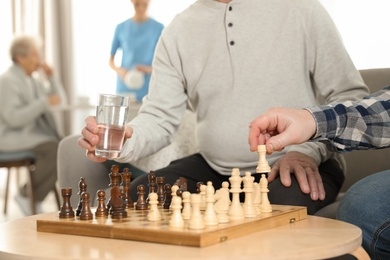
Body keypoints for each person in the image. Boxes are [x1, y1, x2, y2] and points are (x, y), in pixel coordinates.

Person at [78, 0, 370, 215]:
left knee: (276, 212)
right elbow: (159, 117)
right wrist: (127, 139)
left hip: (298, 162)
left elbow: (350, 97)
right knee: (138, 199)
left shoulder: (303, 10)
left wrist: (306, 151)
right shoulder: (178, 30)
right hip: (215, 169)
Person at [248, 86, 390, 259]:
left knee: (363, 206)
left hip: (303, 161)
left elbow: (350, 93)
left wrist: (305, 149)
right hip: (216, 168)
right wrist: (312, 121)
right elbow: (383, 110)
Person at [0, 35, 66, 215]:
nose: (40, 60)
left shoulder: (34, 81)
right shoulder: (7, 81)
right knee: (55, 149)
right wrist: (43, 102)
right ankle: (26, 195)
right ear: (20, 58)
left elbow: (59, 102)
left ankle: (30, 195)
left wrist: (52, 78)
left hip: (29, 135)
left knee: (62, 147)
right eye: (35, 55)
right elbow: (12, 118)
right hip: (10, 137)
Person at [109, 0, 164, 102]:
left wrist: (148, 69)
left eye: (145, 5)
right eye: (137, 4)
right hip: (125, 84)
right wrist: (120, 71)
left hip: (148, 85)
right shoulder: (121, 28)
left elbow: (165, 61)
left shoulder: (158, 28)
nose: (141, 8)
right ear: (132, 2)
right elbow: (111, 61)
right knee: (125, 115)